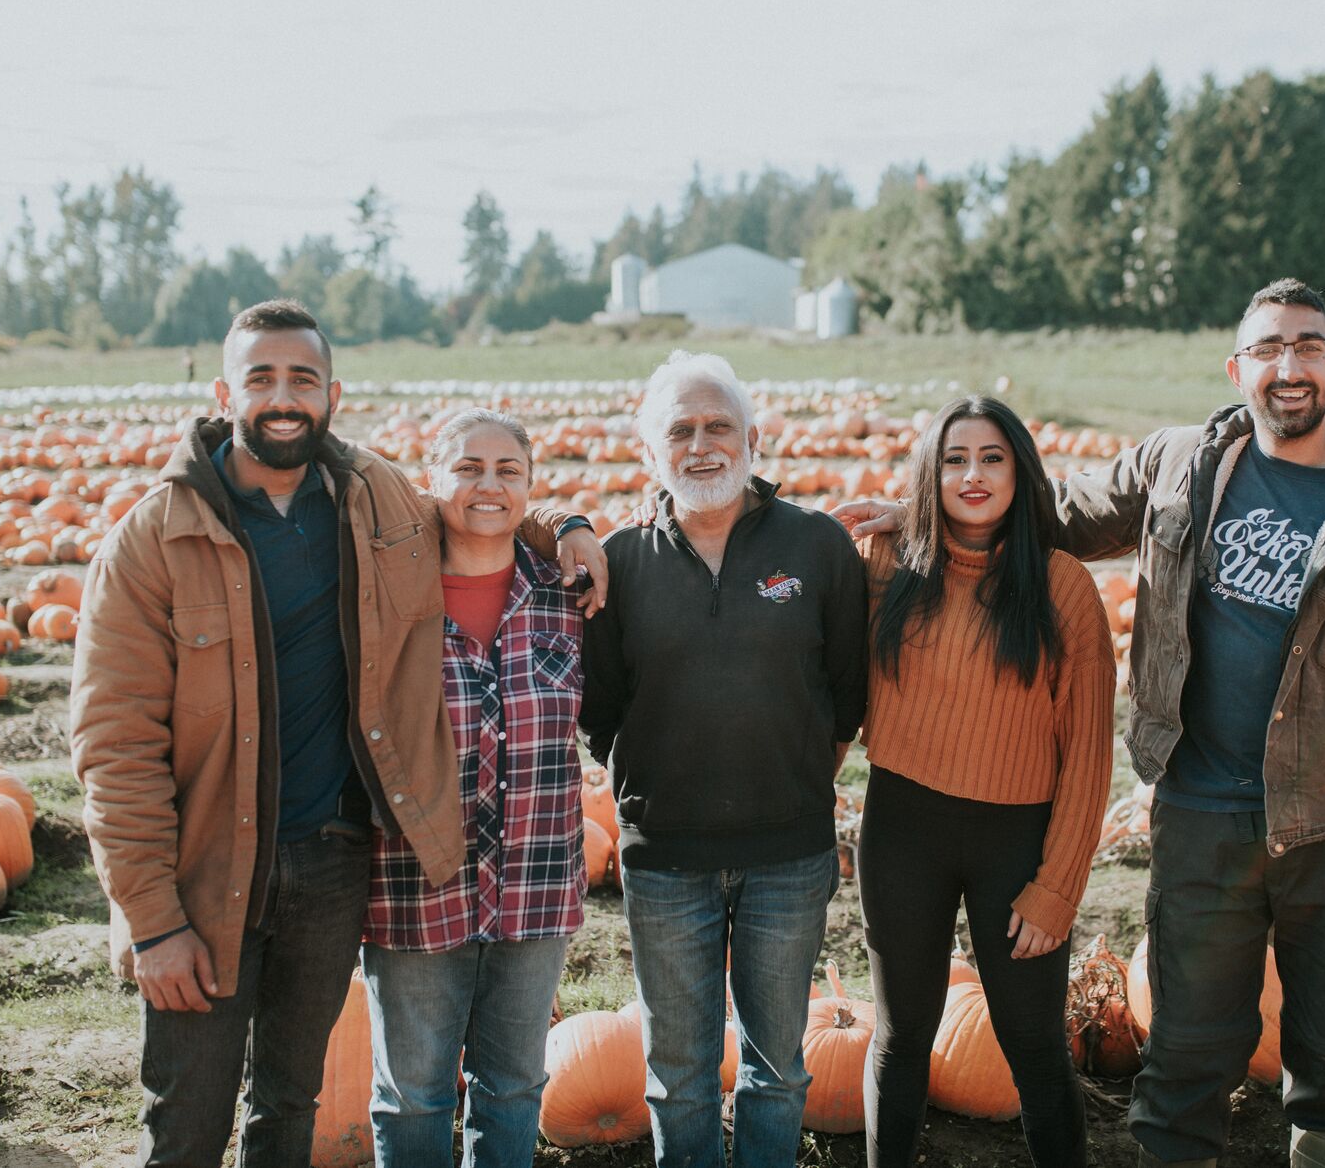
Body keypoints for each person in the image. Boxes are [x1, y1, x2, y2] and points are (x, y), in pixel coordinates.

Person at [838, 279, 1325, 1168]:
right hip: (1202, 816)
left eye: (1307, 347)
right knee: (1182, 1064)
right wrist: (913, 516)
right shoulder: (1183, 465)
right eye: (1267, 349)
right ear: (1236, 368)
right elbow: (1052, 509)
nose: (1287, 367)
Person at [71, 300, 606, 1167]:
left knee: (290, 1104)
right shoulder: (151, 539)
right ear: (222, 391)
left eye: (303, 379)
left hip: (331, 863)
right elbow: (112, 746)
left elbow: (481, 509)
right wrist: (152, 921)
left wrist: (569, 529)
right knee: (188, 1117)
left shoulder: (373, 497)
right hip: (206, 873)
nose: (284, 398)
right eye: (262, 378)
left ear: (332, 393)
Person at [580, 349, 869, 1168]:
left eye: (719, 426)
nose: (702, 445)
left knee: (778, 1067)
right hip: (666, 860)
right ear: (651, 451)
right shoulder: (621, 560)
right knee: (679, 1070)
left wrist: (794, 777)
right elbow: (599, 713)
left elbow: (846, 697)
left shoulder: (817, 548)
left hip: (789, 855)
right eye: (681, 430)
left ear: (752, 437)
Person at [855, 395, 1112, 1168]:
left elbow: (1092, 755)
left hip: (1018, 844)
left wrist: (1057, 887)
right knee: (901, 1038)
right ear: (928, 476)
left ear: (1020, 472)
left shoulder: (1063, 587)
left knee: (1032, 1044)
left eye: (992, 458)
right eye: (954, 460)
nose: (973, 475)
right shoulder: (887, 563)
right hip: (901, 829)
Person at [362, 408, 586, 1167]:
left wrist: (572, 525)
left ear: (529, 486)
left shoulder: (568, 595)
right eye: (467, 468)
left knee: (514, 1086)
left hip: (535, 883)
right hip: (416, 883)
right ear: (432, 480)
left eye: (508, 471)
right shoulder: (390, 596)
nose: (488, 486)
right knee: (416, 1090)